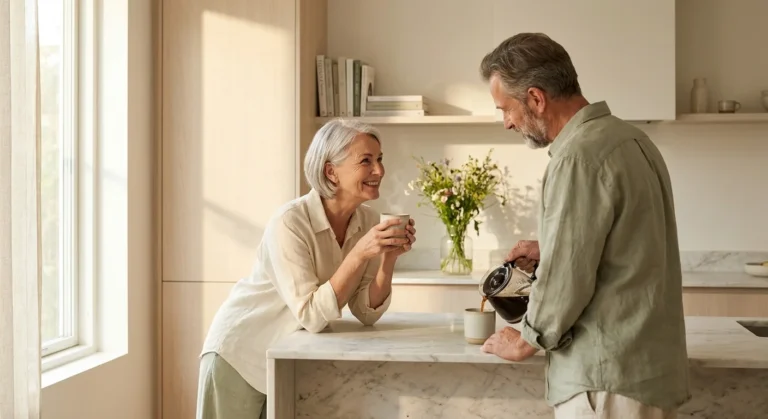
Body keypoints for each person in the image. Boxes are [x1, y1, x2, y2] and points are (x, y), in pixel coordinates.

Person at [477, 33, 690, 418]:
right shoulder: (633, 140)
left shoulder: (577, 158)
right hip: (648, 374)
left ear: (536, 99)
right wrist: (550, 247)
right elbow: (632, 243)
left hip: (604, 381)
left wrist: (525, 340)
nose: (506, 123)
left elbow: (565, 279)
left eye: (505, 109)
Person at [196, 119, 416, 419]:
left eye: (379, 159)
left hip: (286, 359)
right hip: (239, 357)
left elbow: (365, 312)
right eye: (366, 161)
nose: (379, 170)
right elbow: (312, 314)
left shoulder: (366, 220)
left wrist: (388, 259)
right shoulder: (290, 222)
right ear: (331, 172)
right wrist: (360, 253)